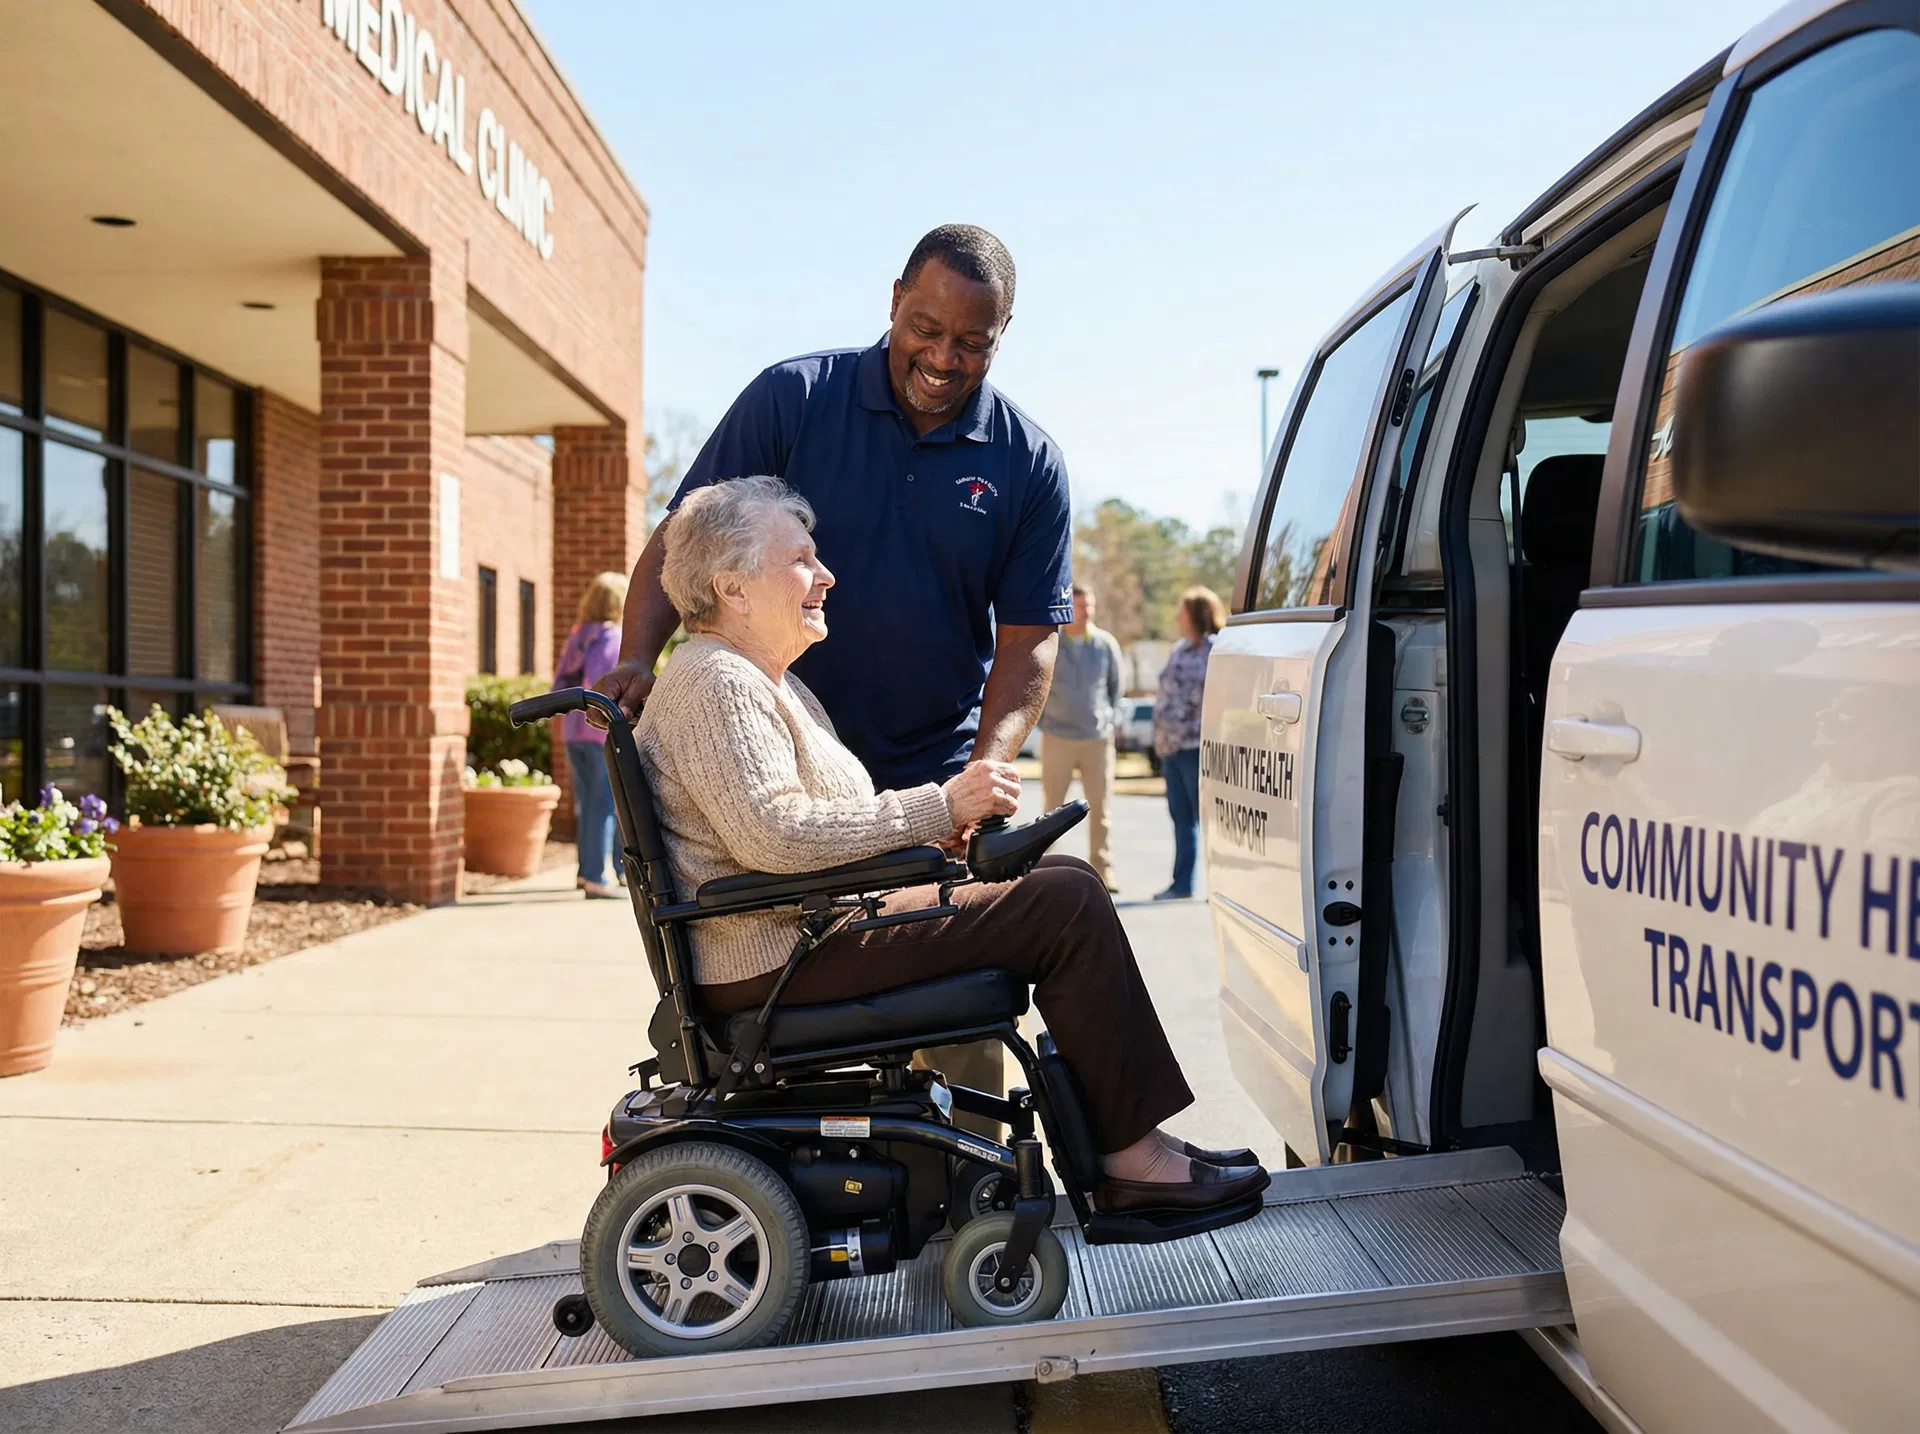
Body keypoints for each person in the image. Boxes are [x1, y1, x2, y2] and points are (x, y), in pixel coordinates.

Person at [634, 477, 1266, 1212]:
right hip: (776, 958)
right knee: (1063, 900)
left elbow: (805, 825)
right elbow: (777, 834)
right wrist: (939, 804)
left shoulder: (762, 681)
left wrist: (938, 842)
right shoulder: (716, 681)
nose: (826, 576)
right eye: (803, 560)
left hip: (801, 935)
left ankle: (1129, 1147)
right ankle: (1131, 1159)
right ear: (733, 588)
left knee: (1061, 881)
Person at [600, 224, 1073, 1116]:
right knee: (815, 1003)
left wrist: (986, 769)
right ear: (895, 299)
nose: (942, 357)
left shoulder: (1026, 461)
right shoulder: (793, 398)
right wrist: (636, 657)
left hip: (932, 765)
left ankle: (962, 1176)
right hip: (782, 758)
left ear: (1002, 336)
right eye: (926, 327)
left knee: (965, 1003)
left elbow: (1028, 640)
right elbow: (683, 536)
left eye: (971, 342)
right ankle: (838, 1181)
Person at [1038, 584, 1124, 892]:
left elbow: (1116, 689)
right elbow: (1039, 686)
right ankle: (1043, 871)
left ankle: (1104, 870)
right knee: (1052, 808)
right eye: (1079, 607)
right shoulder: (1053, 643)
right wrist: (1044, 722)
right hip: (1057, 737)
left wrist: (1110, 720)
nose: (1084, 613)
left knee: (1101, 809)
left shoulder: (1105, 645)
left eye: (1089, 607)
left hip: (1097, 740)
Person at [553, 571, 629, 898]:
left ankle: (587, 871)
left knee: (589, 803)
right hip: (598, 732)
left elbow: (559, 684)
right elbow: (603, 684)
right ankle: (598, 876)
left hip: (572, 731)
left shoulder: (579, 636)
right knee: (606, 802)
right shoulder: (611, 637)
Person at [1152, 586, 1225, 901]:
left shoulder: (1217, 649)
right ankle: (1181, 884)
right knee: (1180, 818)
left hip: (1197, 747)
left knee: (1206, 820)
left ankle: (1220, 887)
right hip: (1171, 747)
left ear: (1196, 614)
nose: (1178, 617)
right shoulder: (1179, 649)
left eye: (1182, 610)